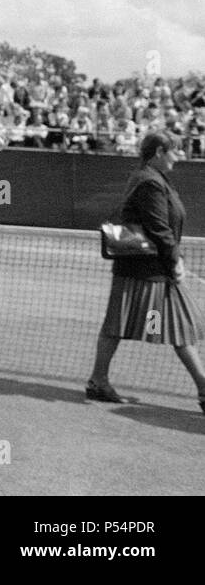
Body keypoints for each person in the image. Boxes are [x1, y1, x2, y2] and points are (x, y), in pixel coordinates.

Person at [86, 132, 205, 410]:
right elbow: (159, 227)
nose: (179, 156)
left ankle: (202, 387)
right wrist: (176, 260)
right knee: (120, 325)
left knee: (178, 327)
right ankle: (98, 382)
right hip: (147, 269)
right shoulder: (150, 182)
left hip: (151, 268)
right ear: (160, 152)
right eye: (175, 151)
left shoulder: (151, 178)